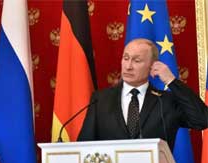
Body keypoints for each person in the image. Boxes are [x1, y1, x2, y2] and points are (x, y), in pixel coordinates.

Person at [78, 38, 208, 151]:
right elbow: (84, 145)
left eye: (136, 61)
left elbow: (202, 120)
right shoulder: (101, 100)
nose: (128, 66)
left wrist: (171, 81)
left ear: (152, 66)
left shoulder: (166, 101)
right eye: (126, 58)